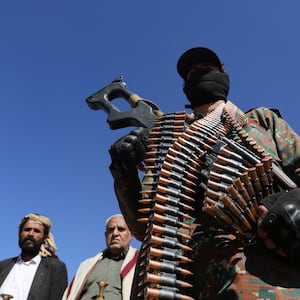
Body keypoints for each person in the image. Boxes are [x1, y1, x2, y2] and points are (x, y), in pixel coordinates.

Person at [108, 47, 300, 299]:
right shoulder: (171, 140)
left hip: (269, 279)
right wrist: (124, 173)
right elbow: (145, 228)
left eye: (206, 68)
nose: (197, 73)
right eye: (191, 73)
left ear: (223, 75)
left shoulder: (262, 120)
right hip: (181, 281)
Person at [62, 214, 139, 300]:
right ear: (106, 235)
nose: (115, 233)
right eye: (111, 229)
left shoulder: (140, 263)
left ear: (132, 235)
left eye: (121, 229)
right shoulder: (87, 265)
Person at [0, 213, 68, 300]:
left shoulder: (55, 267)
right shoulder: (3, 266)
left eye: (36, 231)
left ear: (44, 238)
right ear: (19, 234)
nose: (31, 234)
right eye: (27, 230)